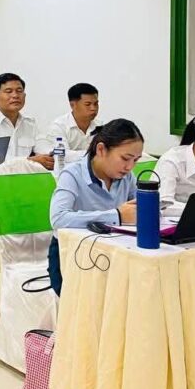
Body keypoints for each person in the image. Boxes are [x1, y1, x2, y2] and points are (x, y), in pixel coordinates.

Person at [47, 119, 144, 296]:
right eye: (125, 158)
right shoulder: (72, 174)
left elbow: (138, 208)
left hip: (114, 251)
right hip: (72, 254)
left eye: (136, 160)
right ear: (101, 150)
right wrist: (116, 215)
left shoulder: (127, 177)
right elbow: (58, 219)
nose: (130, 167)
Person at [0, 73, 53, 169]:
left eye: (19, 91)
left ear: (24, 96)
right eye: (8, 91)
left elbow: (45, 148)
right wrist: (30, 161)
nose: (15, 95)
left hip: (28, 175)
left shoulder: (30, 124)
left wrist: (50, 156)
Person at [36, 83, 102, 162]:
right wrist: (94, 154)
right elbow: (62, 155)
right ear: (72, 105)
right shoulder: (59, 126)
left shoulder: (101, 126)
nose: (93, 108)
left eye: (96, 104)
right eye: (88, 104)